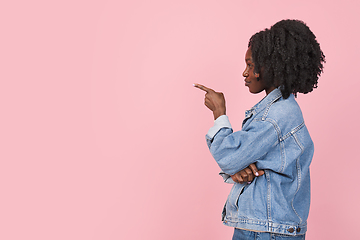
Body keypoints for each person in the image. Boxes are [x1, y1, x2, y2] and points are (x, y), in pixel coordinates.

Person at [194, 19, 325, 240]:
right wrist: (240, 168)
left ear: (272, 67)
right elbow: (247, 161)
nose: (245, 73)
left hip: (266, 231)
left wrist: (219, 112)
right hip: (267, 227)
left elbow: (229, 155)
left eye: (251, 65)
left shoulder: (276, 115)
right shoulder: (280, 111)